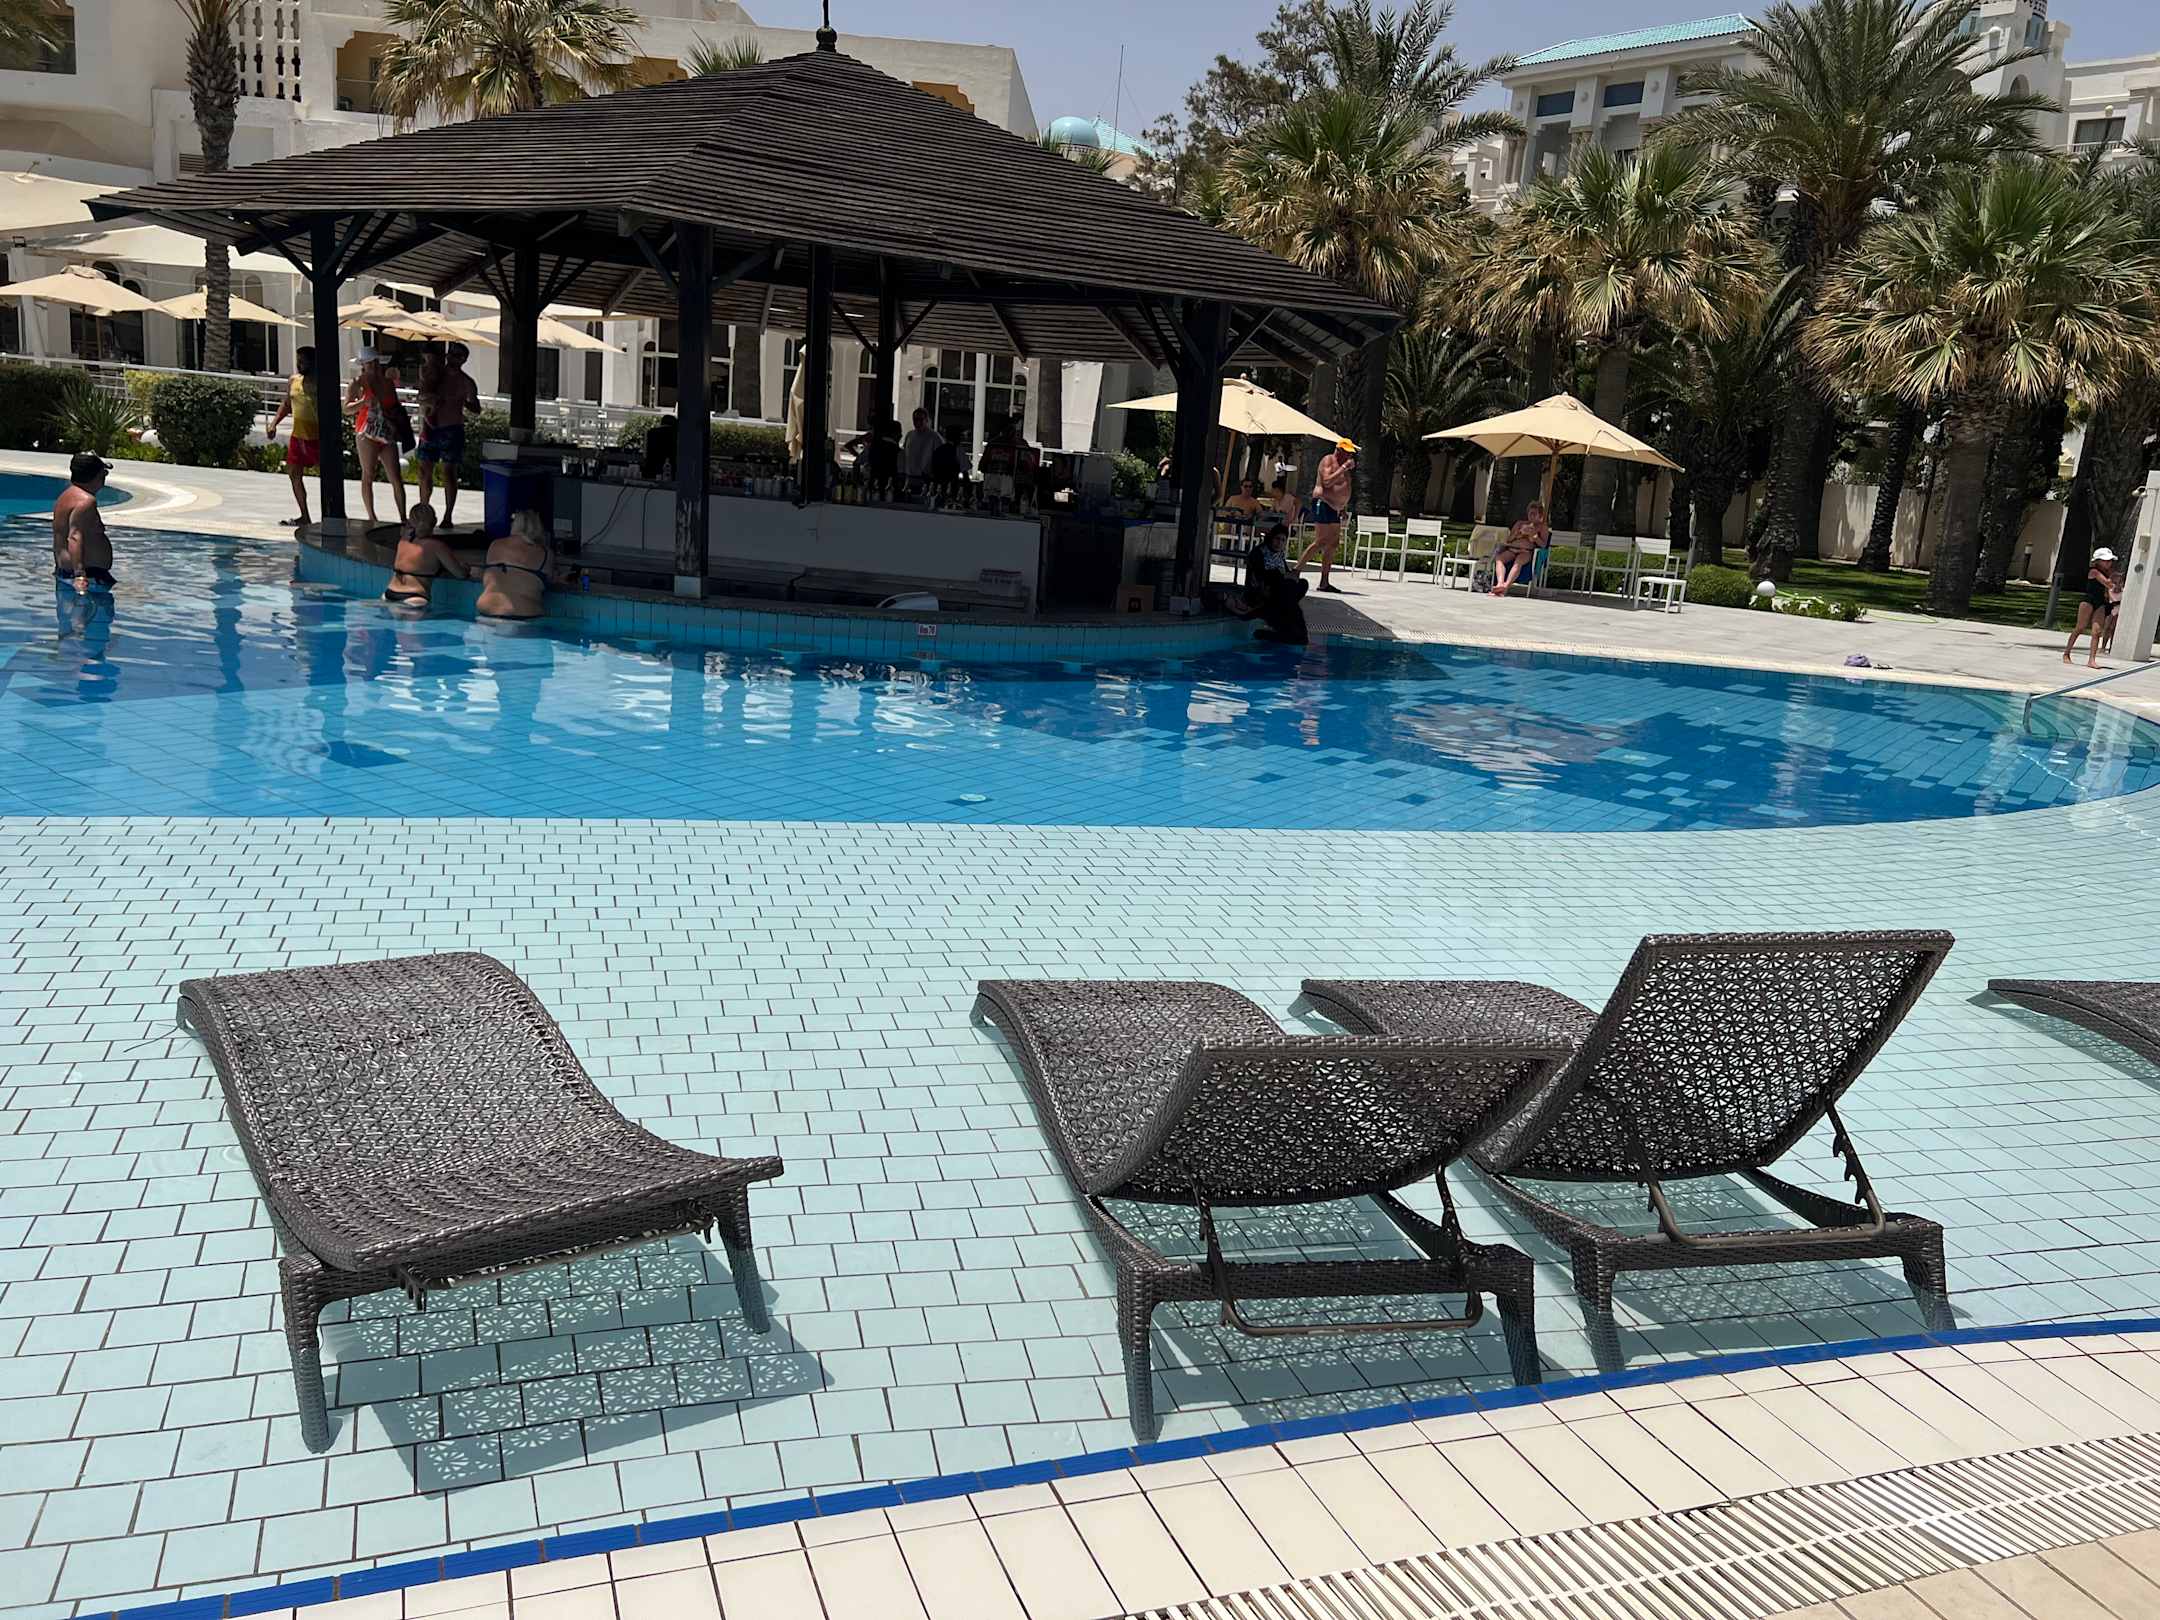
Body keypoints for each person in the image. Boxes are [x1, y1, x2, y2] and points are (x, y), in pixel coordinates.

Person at [416, 342, 481, 527]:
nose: (453, 358)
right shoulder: (434, 374)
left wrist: (462, 402)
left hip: (452, 429)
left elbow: (476, 408)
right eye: (451, 354)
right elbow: (421, 395)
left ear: (464, 360)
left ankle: (448, 516)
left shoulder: (466, 382)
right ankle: (424, 510)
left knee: (449, 473)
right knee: (424, 472)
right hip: (431, 427)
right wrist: (429, 401)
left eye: (458, 356)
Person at [347, 344, 408, 527]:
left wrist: (396, 420)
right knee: (368, 474)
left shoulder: (387, 383)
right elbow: (346, 408)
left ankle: (403, 517)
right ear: (363, 365)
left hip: (386, 432)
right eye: (369, 363)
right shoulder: (357, 383)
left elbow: (394, 406)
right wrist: (363, 402)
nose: (372, 366)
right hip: (366, 432)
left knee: (395, 476)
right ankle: (371, 516)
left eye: (374, 362)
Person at [476, 509, 569, 620]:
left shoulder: (494, 545)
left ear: (514, 526)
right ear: (538, 528)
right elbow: (550, 579)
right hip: (522, 615)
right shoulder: (545, 553)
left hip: (486, 613)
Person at [266, 346, 319, 528]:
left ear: (313, 363)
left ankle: (332, 516)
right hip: (298, 436)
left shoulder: (321, 383)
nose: (299, 364)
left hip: (318, 437)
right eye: (298, 361)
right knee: (294, 474)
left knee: (328, 477)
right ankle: (304, 516)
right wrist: (274, 423)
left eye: (303, 361)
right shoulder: (293, 380)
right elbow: (287, 404)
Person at [1243, 510, 1309, 645]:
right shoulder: (1259, 553)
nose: (1279, 543)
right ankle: (1290, 629)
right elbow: (1260, 577)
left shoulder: (1279, 554)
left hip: (1280, 593)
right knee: (1281, 584)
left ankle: (1291, 629)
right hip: (1263, 592)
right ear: (1271, 538)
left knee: (1302, 583)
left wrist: (1291, 577)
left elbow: (1285, 572)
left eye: (1283, 540)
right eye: (1277, 539)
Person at [382, 503, 466, 607]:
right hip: (414, 598)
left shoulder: (403, 541)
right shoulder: (437, 546)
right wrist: (465, 568)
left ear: (411, 522)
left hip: (389, 593)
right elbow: (460, 574)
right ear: (435, 521)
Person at [1299, 438, 1356, 592]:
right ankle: (1296, 570)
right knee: (1321, 541)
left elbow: (1343, 487)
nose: (1349, 456)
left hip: (1335, 508)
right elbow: (1327, 482)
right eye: (1347, 452)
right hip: (1323, 503)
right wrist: (1344, 467)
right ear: (1339, 450)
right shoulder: (1328, 460)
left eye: (1350, 453)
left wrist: (1343, 507)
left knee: (1333, 543)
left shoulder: (1344, 467)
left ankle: (1324, 582)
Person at [52, 452, 115, 592]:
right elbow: (74, 537)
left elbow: (60, 538)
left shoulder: (64, 497)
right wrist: (80, 575)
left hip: (65, 573)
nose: (105, 477)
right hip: (89, 577)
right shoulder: (86, 501)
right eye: (104, 473)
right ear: (96, 475)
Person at [2067, 547, 2117, 667]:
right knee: (2080, 627)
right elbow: (2108, 584)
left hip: (2100, 602)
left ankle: (2092, 660)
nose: (2108, 563)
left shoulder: (2108, 573)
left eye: (2110, 561)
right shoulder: (2094, 572)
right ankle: (2067, 653)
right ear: (2098, 561)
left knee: (2097, 631)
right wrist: (2113, 579)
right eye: (2105, 561)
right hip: (2088, 601)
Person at [1493, 500, 1550, 597]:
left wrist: (1535, 537)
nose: (1531, 516)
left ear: (1539, 515)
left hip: (1526, 552)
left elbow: (1544, 545)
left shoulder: (1542, 527)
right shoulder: (1520, 523)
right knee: (1499, 559)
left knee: (1518, 562)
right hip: (1512, 549)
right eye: (1530, 513)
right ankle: (1500, 583)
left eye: (1534, 514)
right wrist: (1518, 533)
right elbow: (1509, 539)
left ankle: (1505, 587)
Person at [902, 407, 943, 489]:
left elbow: (940, 457)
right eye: (915, 419)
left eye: (921, 419)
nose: (917, 422)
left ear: (926, 420)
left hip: (926, 478)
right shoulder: (909, 435)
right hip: (909, 477)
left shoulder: (934, 437)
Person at [641, 413, 677, 481]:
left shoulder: (650, 433)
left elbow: (645, 455)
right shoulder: (677, 434)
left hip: (651, 470)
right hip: (670, 471)